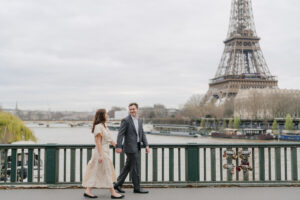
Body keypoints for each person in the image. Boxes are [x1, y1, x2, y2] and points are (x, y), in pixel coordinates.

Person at [82, 109, 124, 199]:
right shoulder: (98, 127)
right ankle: (113, 192)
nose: (107, 115)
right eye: (106, 114)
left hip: (105, 151)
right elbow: (98, 142)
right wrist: (101, 155)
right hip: (100, 152)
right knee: (107, 170)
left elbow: (109, 139)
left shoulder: (104, 126)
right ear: (102, 115)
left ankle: (88, 191)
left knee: (95, 171)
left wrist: (117, 146)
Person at [114, 103, 150, 194]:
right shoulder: (125, 120)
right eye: (130, 109)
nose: (132, 111)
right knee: (134, 167)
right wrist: (118, 146)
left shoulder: (140, 120)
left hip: (137, 146)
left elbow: (142, 133)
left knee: (128, 166)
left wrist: (146, 145)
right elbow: (120, 134)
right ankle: (137, 188)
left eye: (133, 109)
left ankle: (117, 184)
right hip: (129, 147)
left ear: (137, 109)